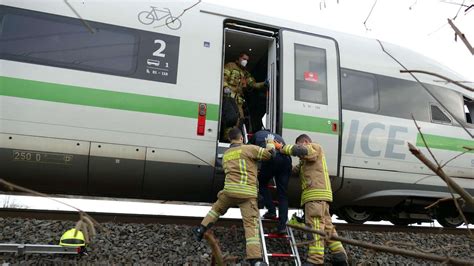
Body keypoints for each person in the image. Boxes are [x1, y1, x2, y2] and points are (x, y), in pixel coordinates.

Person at [193, 127, 275, 266]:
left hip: (229, 191)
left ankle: (202, 228)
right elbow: (269, 155)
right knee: (250, 226)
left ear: (230, 139)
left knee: (216, 209)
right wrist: (271, 142)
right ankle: (255, 261)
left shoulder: (226, 155)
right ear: (242, 138)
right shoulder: (249, 149)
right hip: (247, 194)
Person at [277, 134, 348, 266]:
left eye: (299, 144)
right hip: (321, 196)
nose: (299, 151)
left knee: (314, 226)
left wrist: (282, 148)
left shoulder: (313, 147)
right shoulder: (306, 161)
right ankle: (339, 256)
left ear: (305, 142)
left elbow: (302, 151)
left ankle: (315, 260)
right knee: (327, 227)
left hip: (315, 195)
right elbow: (295, 170)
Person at [250, 130, 292, 234]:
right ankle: (282, 226)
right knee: (282, 194)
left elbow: (249, 150)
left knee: (262, 183)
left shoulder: (257, 135)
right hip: (286, 161)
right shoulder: (278, 136)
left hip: (272, 158)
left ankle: (272, 211)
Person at [221, 52, 268, 141]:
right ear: (239, 58)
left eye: (247, 60)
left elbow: (253, 84)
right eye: (244, 59)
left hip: (238, 100)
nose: (245, 61)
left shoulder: (245, 73)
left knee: (240, 119)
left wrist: (264, 84)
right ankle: (226, 138)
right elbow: (223, 77)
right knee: (230, 117)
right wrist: (225, 87)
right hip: (229, 97)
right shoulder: (231, 66)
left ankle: (233, 138)